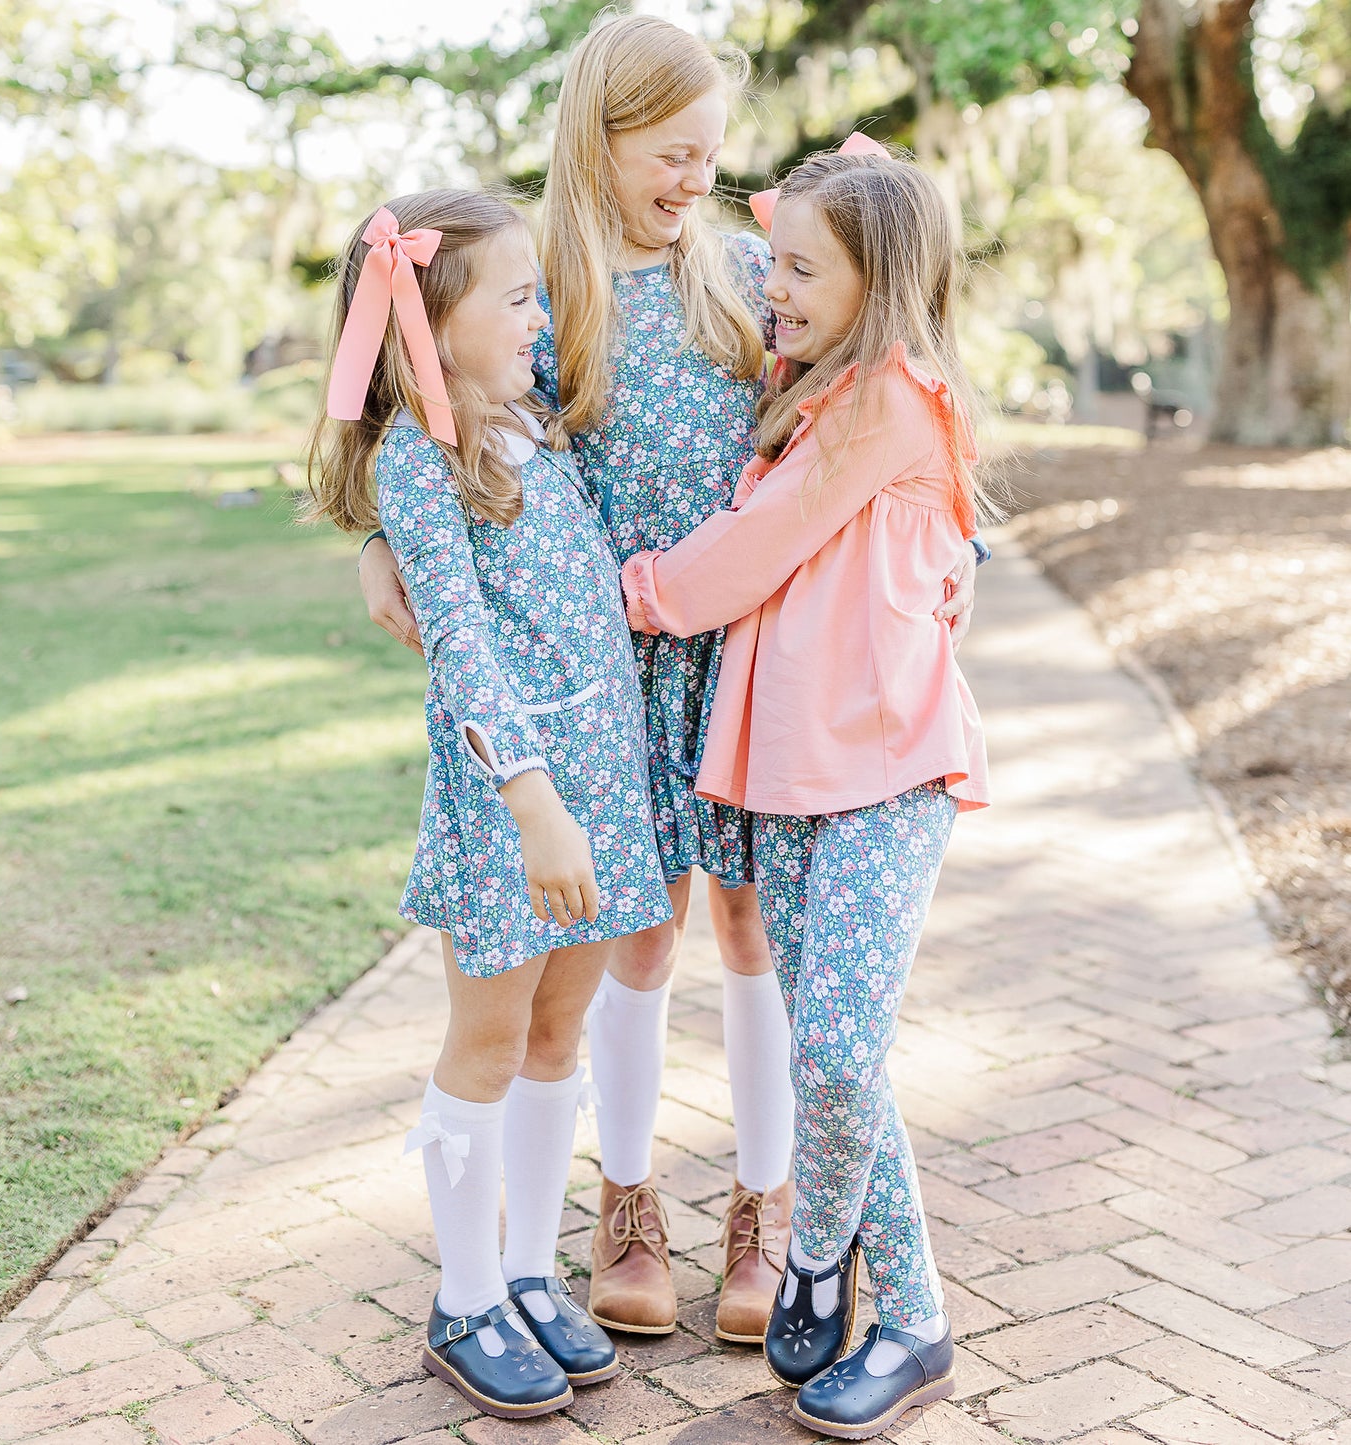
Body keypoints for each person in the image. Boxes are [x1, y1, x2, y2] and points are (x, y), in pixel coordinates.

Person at [358, 15, 980, 1343]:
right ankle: (624, 1204)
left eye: (710, 154)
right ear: (601, 135)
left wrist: (952, 537)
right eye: (671, 152)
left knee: (751, 930)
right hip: (608, 669)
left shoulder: (749, 275)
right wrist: (378, 536)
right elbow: (447, 417)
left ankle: (765, 1210)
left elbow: (874, 396)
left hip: (749, 655)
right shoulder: (547, 288)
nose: (696, 177)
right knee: (634, 938)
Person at [619, 141, 992, 1439]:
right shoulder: (807, 397)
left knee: (834, 1046)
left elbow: (750, 553)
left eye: (795, 267)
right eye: (770, 261)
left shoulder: (891, 396)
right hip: (779, 778)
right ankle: (836, 1274)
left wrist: (627, 595)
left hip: (887, 771)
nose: (768, 285)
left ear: (873, 278)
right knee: (836, 1050)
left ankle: (887, 1303)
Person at [304, 189, 672, 1420]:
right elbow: (458, 640)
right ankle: (463, 1296)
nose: (540, 315)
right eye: (514, 297)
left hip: (603, 788)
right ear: (434, 322)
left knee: (557, 1033)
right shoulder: (424, 460)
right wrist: (530, 801)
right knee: (487, 1038)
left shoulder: (535, 422)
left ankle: (526, 1269)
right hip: (513, 802)